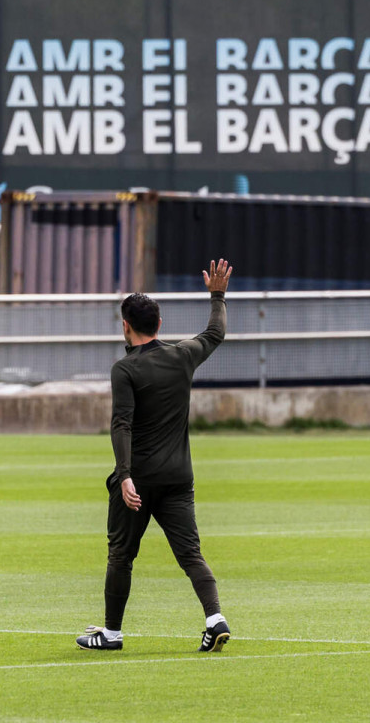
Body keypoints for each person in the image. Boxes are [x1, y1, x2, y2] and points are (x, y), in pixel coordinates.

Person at [77, 259, 233, 653]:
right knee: (191, 554)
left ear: (125, 326)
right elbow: (216, 332)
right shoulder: (183, 356)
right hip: (179, 477)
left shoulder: (125, 369)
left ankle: (111, 634)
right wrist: (217, 296)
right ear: (160, 325)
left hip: (140, 479)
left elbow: (121, 424)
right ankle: (215, 619)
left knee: (121, 555)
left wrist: (125, 475)